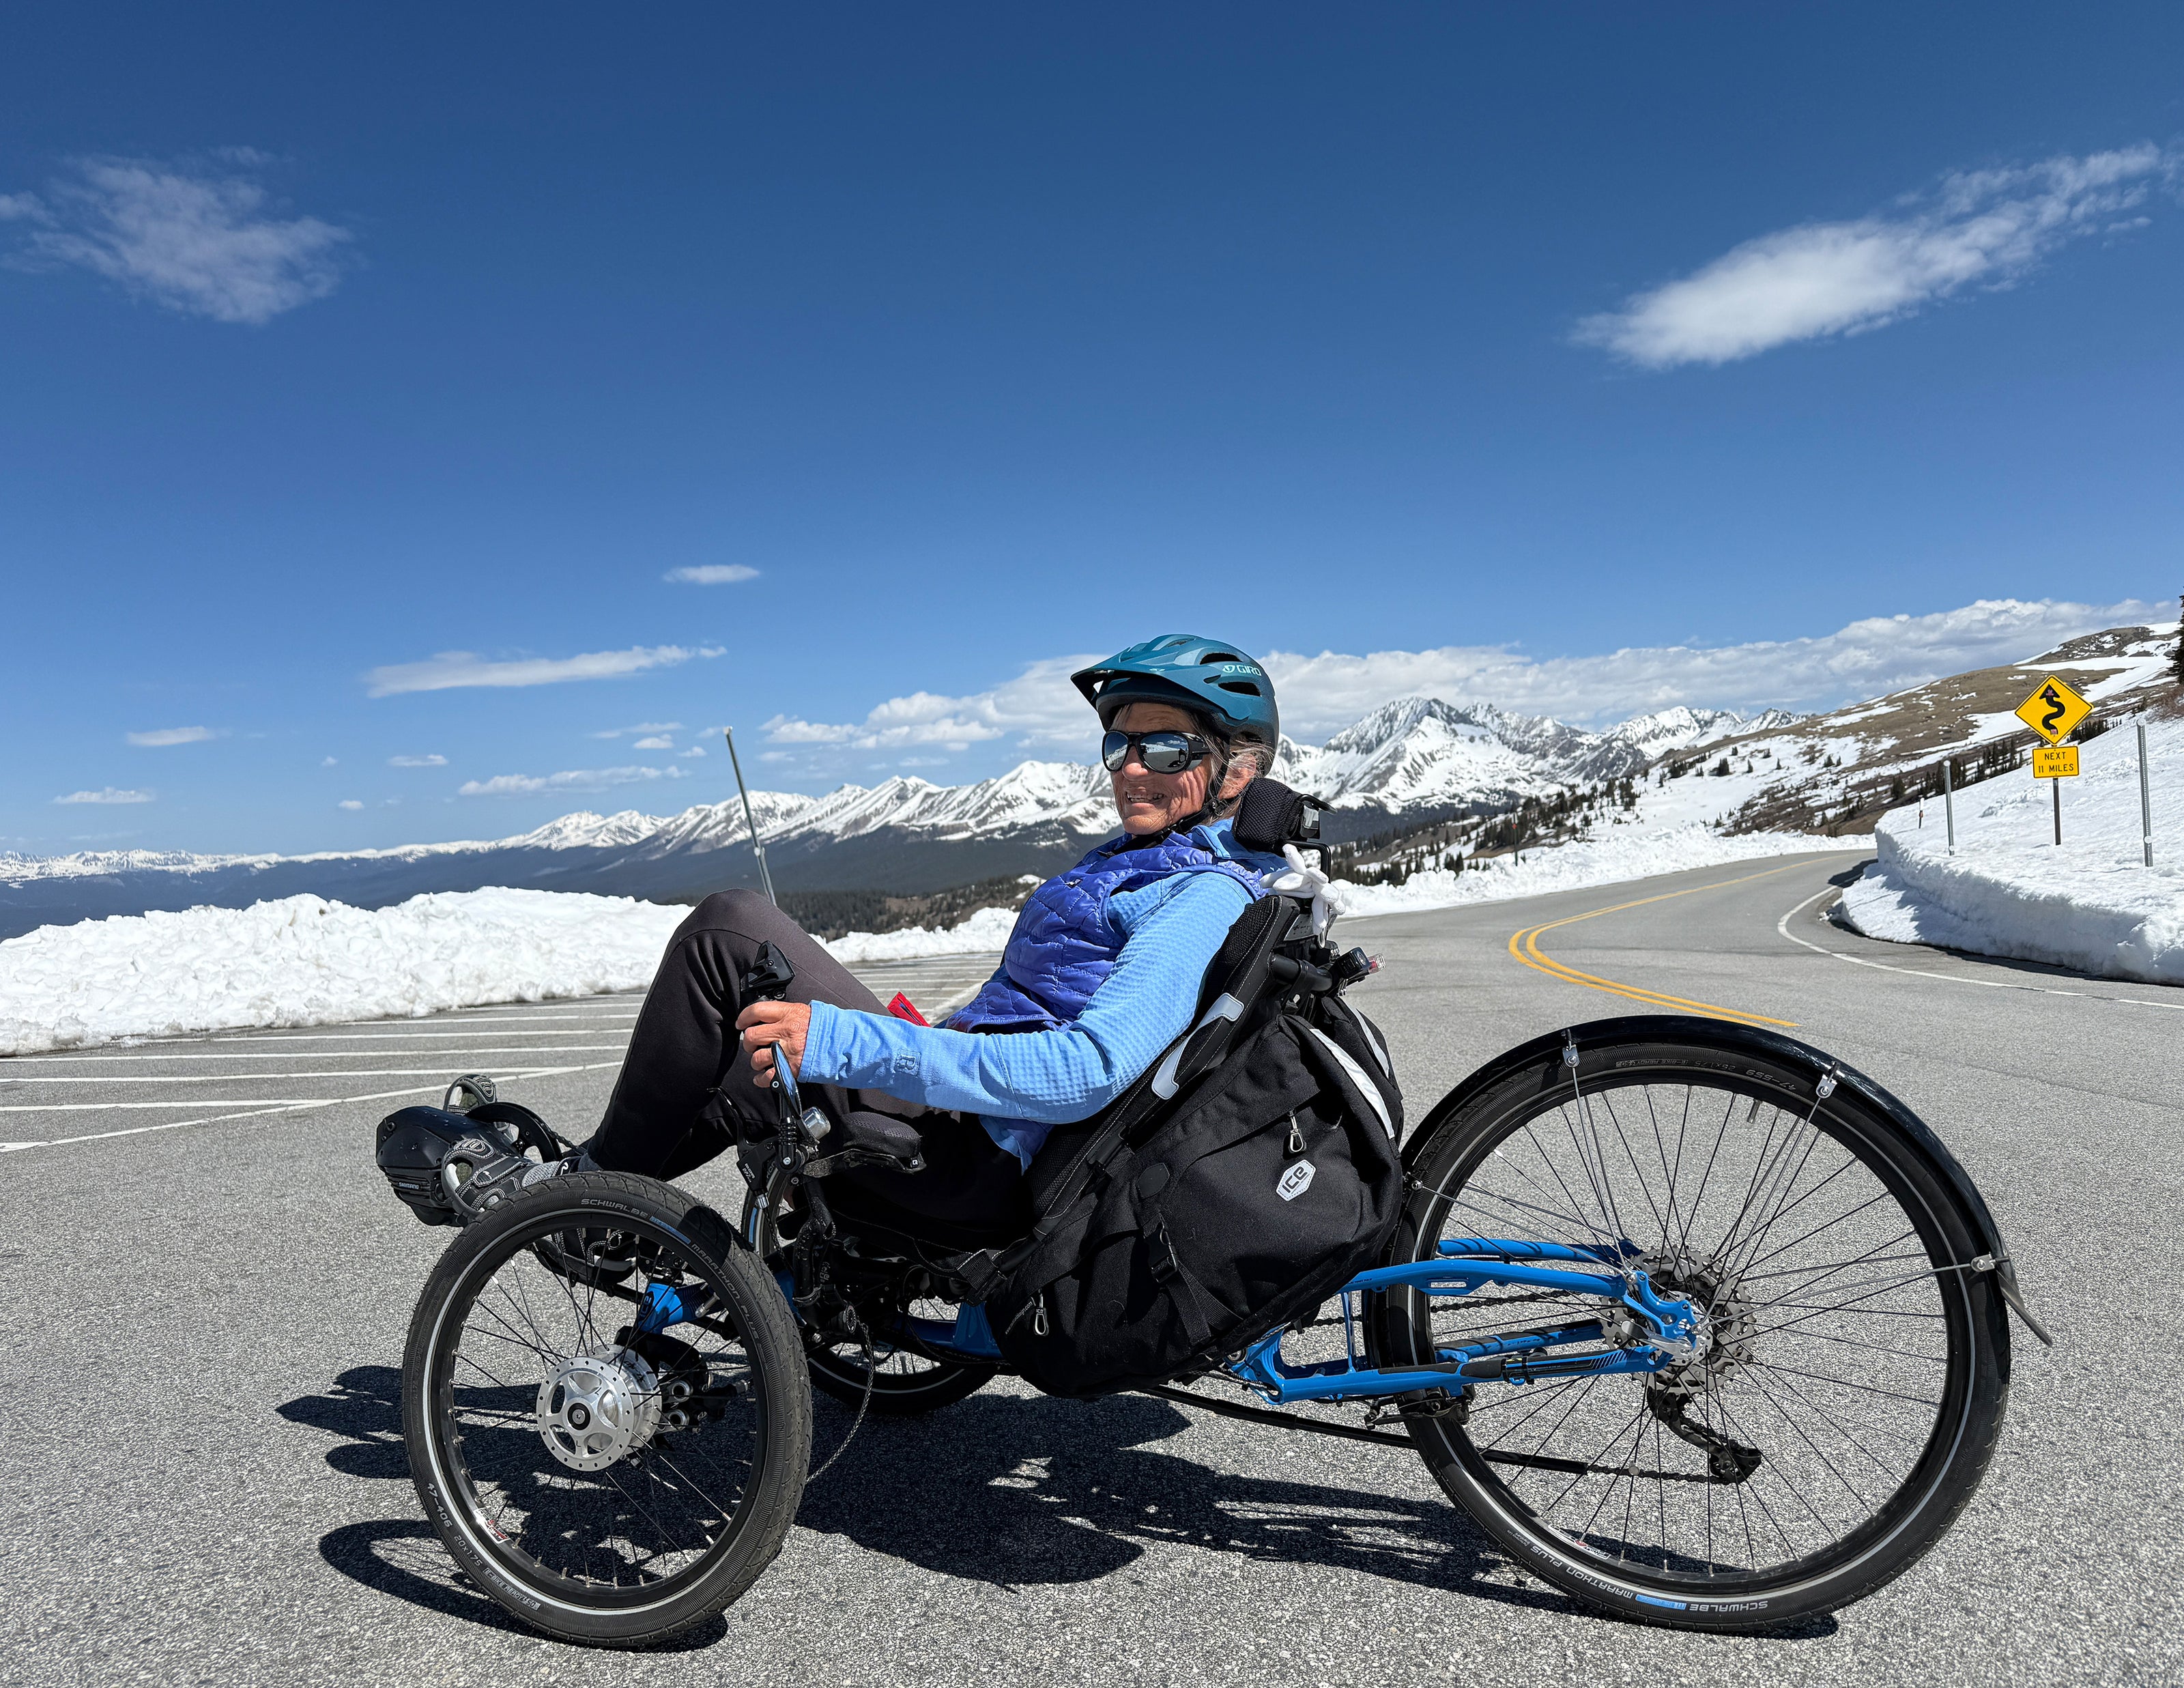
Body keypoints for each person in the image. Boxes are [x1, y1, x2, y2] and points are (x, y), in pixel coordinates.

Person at [507, 634, 1292, 1242]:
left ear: (1234, 772)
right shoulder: (1151, 860)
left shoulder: (1199, 896)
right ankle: (593, 1205)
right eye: (1117, 745)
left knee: (729, 929)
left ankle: (579, 1200)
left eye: (1160, 747)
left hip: (977, 1161)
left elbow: (1083, 1071)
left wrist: (847, 1041)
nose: (1127, 767)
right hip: (968, 1124)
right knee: (743, 1066)